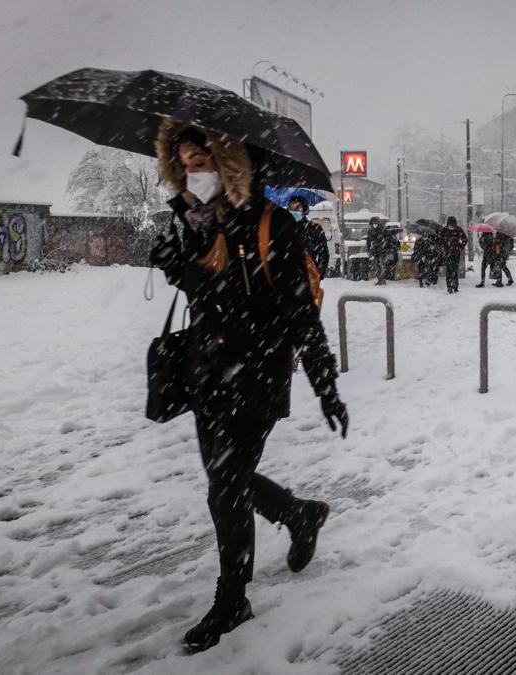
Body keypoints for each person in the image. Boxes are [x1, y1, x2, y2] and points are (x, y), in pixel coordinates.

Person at [149, 121, 348, 653]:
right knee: (225, 479)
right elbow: (203, 296)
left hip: (257, 375)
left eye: (203, 160)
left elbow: (301, 316)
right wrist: (174, 262)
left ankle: (232, 598)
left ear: (229, 163)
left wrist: (326, 385)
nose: (195, 172)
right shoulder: (190, 222)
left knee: (225, 486)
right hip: (205, 373)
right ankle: (299, 513)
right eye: (186, 163)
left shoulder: (271, 224)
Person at [287, 195, 329, 279]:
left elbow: (323, 253)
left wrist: (319, 273)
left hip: (308, 275)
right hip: (287, 276)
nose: (293, 210)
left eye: (298, 208)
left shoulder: (314, 228)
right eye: (291, 207)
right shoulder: (285, 228)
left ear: (304, 210)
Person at [441, 216, 468, 293]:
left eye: (452, 225)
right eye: (449, 225)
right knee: (449, 270)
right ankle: (449, 286)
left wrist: (460, 246)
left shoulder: (458, 230)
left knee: (455, 270)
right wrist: (445, 246)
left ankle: (455, 287)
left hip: (456, 253)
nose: (451, 226)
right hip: (447, 253)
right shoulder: (444, 230)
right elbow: (441, 240)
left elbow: (465, 239)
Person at [366, 216, 386, 285]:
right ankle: (379, 279)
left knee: (381, 264)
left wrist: (382, 243)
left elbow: (385, 239)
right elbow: (368, 241)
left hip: (382, 249)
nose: (375, 224)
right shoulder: (370, 230)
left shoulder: (382, 229)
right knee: (377, 265)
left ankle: (382, 279)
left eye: (376, 222)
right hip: (375, 250)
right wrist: (368, 249)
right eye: (373, 223)